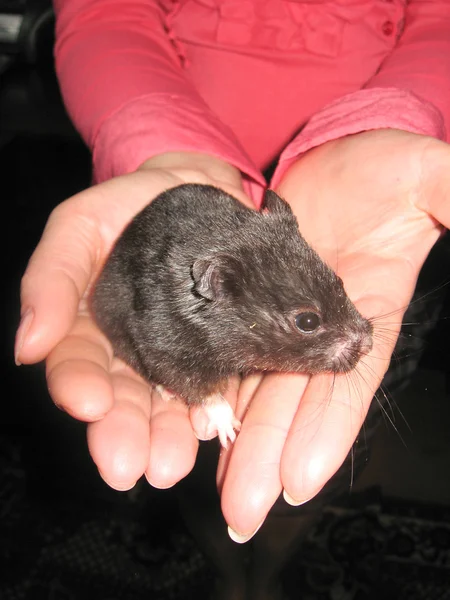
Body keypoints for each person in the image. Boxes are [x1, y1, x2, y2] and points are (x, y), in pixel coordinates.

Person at [15, 0, 450, 555]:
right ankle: (224, 566)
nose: (359, 332)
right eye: (310, 321)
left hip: (377, 236)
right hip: (171, 231)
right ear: (218, 291)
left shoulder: (284, 247)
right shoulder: (195, 315)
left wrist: (395, 121)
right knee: (210, 471)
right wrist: (205, 394)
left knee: (318, 458)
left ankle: (276, 558)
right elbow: (106, 15)